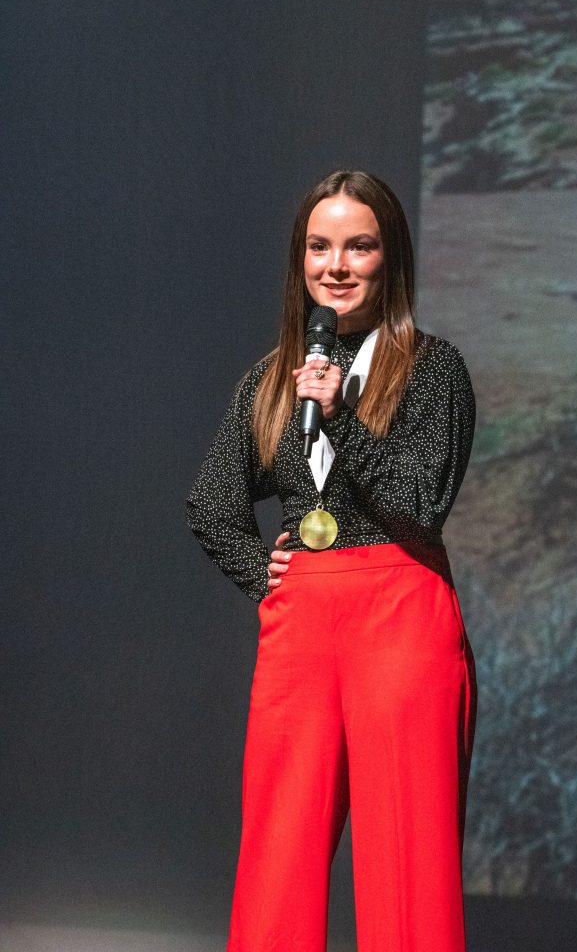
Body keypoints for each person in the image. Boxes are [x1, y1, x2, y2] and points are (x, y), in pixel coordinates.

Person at [186, 169, 477, 952]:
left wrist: (341, 417)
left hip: (399, 610)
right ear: (300, 260)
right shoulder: (271, 377)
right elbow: (211, 501)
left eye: (359, 245)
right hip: (302, 623)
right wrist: (261, 574)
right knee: (277, 853)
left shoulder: (430, 367)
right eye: (319, 246)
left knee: (407, 860)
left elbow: (419, 505)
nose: (336, 265)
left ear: (392, 260)